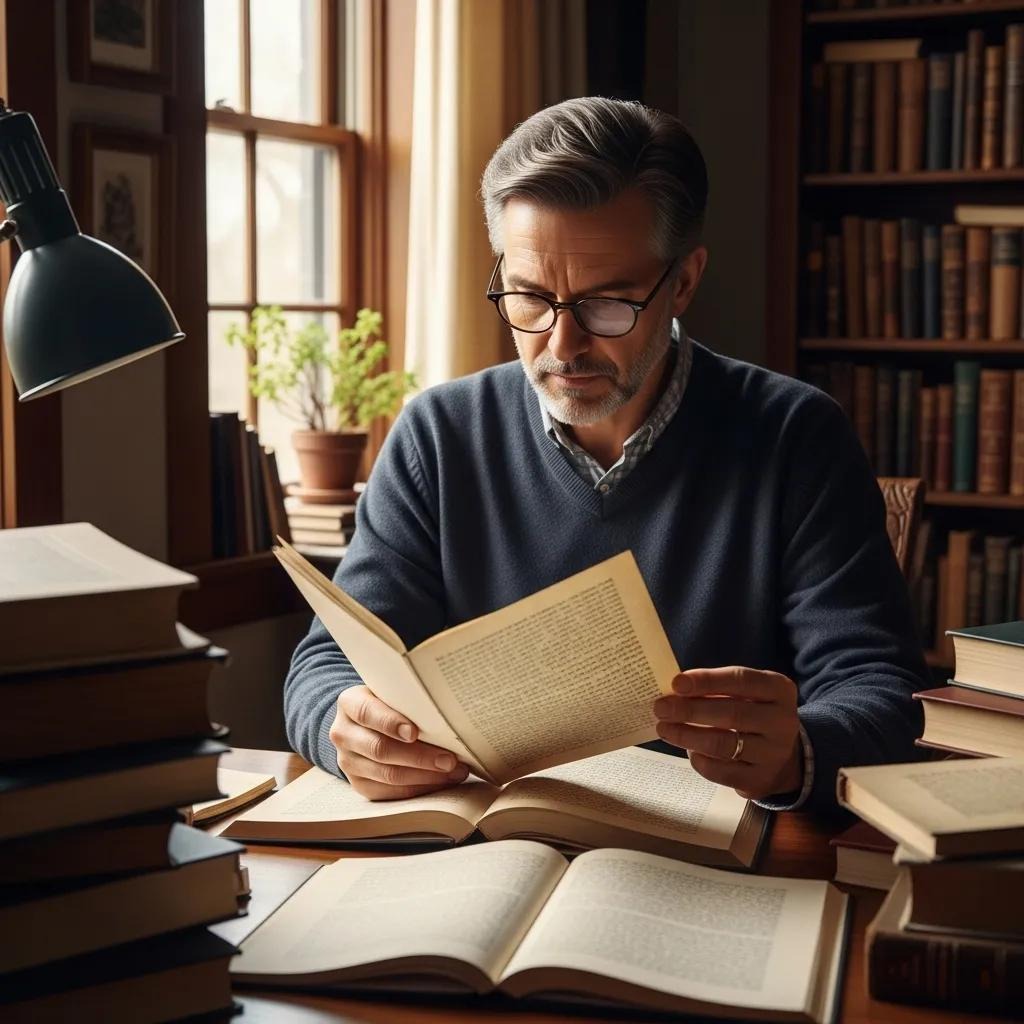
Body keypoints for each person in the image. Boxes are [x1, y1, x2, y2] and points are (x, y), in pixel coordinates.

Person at [284, 96, 928, 812]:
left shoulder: (795, 435)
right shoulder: (440, 434)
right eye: (529, 298)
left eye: (606, 305)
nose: (562, 346)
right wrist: (344, 725)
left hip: (718, 858)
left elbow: (881, 689)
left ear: (683, 281)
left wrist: (799, 749)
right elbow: (327, 662)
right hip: (487, 846)